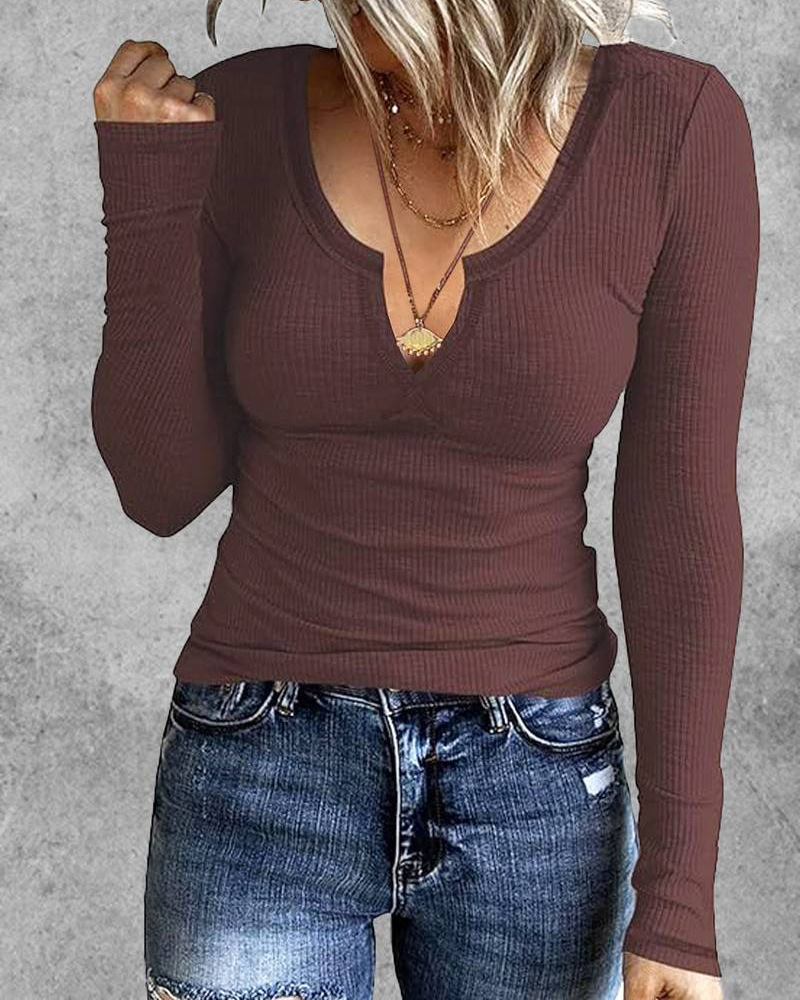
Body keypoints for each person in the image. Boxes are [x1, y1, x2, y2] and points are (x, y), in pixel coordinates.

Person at [89, 0, 759, 997]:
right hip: (257, 758)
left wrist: (678, 898)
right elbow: (159, 486)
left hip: (535, 787)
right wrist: (146, 197)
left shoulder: (671, 124)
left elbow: (681, 524)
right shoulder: (243, 112)